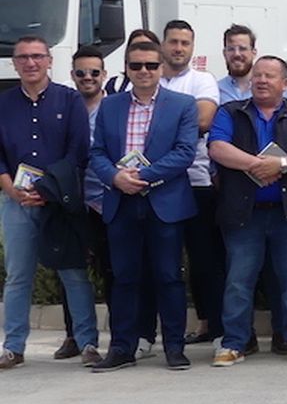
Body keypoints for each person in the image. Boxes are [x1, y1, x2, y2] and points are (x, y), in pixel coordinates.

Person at [88, 39, 199, 372]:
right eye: (136, 66)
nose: (144, 71)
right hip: (121, 201)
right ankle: (122, 347)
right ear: (126, 68)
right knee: (123, 278)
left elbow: (184, 152)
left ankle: (175, 348)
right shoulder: (110, 106)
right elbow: (96, 153)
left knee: (168, 277)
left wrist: (144, 176)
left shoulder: (183, 104)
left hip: (164, 201)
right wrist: (115, 178)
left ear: (161, 67)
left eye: (151, 65)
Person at [207, 55, 287, 365]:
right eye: (258, 75)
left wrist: (281, 164)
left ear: (285, 83)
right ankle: (234, 342)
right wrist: (257, 165)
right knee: (238, 281)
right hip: (244, 213)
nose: (261, 80)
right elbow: (217, 147)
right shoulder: (230, 112)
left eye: (270, 76)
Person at [1, 36, 97, 370]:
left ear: (50, 61)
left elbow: (78, 152)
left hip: (59, 201)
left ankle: (88, 343)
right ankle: (13, 347)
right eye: (23, 57)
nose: (30, 63)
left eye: (37, 56)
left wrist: (49, 191)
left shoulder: (70, 101)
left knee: (73, 272)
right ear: (14, 63)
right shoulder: (3, 103)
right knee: (18, 276)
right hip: (17, 202)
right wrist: (12, 190)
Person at [157, 20, 224, 347]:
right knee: (164, 263)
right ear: (163, 45)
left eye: (185, 42)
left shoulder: (203, 81)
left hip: (196, 180)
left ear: (192, 47)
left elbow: (203, 120)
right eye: (173, 41)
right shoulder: (146, 80)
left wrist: (157, 134)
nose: (179, 48)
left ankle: (214, 327)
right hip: (155, 184)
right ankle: (166, 331)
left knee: (204, 260)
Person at [55, 46, 112, 364]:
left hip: (108, 202)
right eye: (81, 72)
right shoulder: (65, 108)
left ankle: (120, 335)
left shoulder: (115, 108)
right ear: (72, 75)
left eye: (94, 72)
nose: (87, 78)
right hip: (72, 203)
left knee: (112, 271)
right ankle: (74, 336)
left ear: (104, 74)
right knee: (71, 270)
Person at [217, 24, 260, 105]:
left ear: (254, 53)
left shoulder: (269, 90)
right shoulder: (216, 90)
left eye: (242, 49)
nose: (237, 54)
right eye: (231, 49)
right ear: (224, 53)